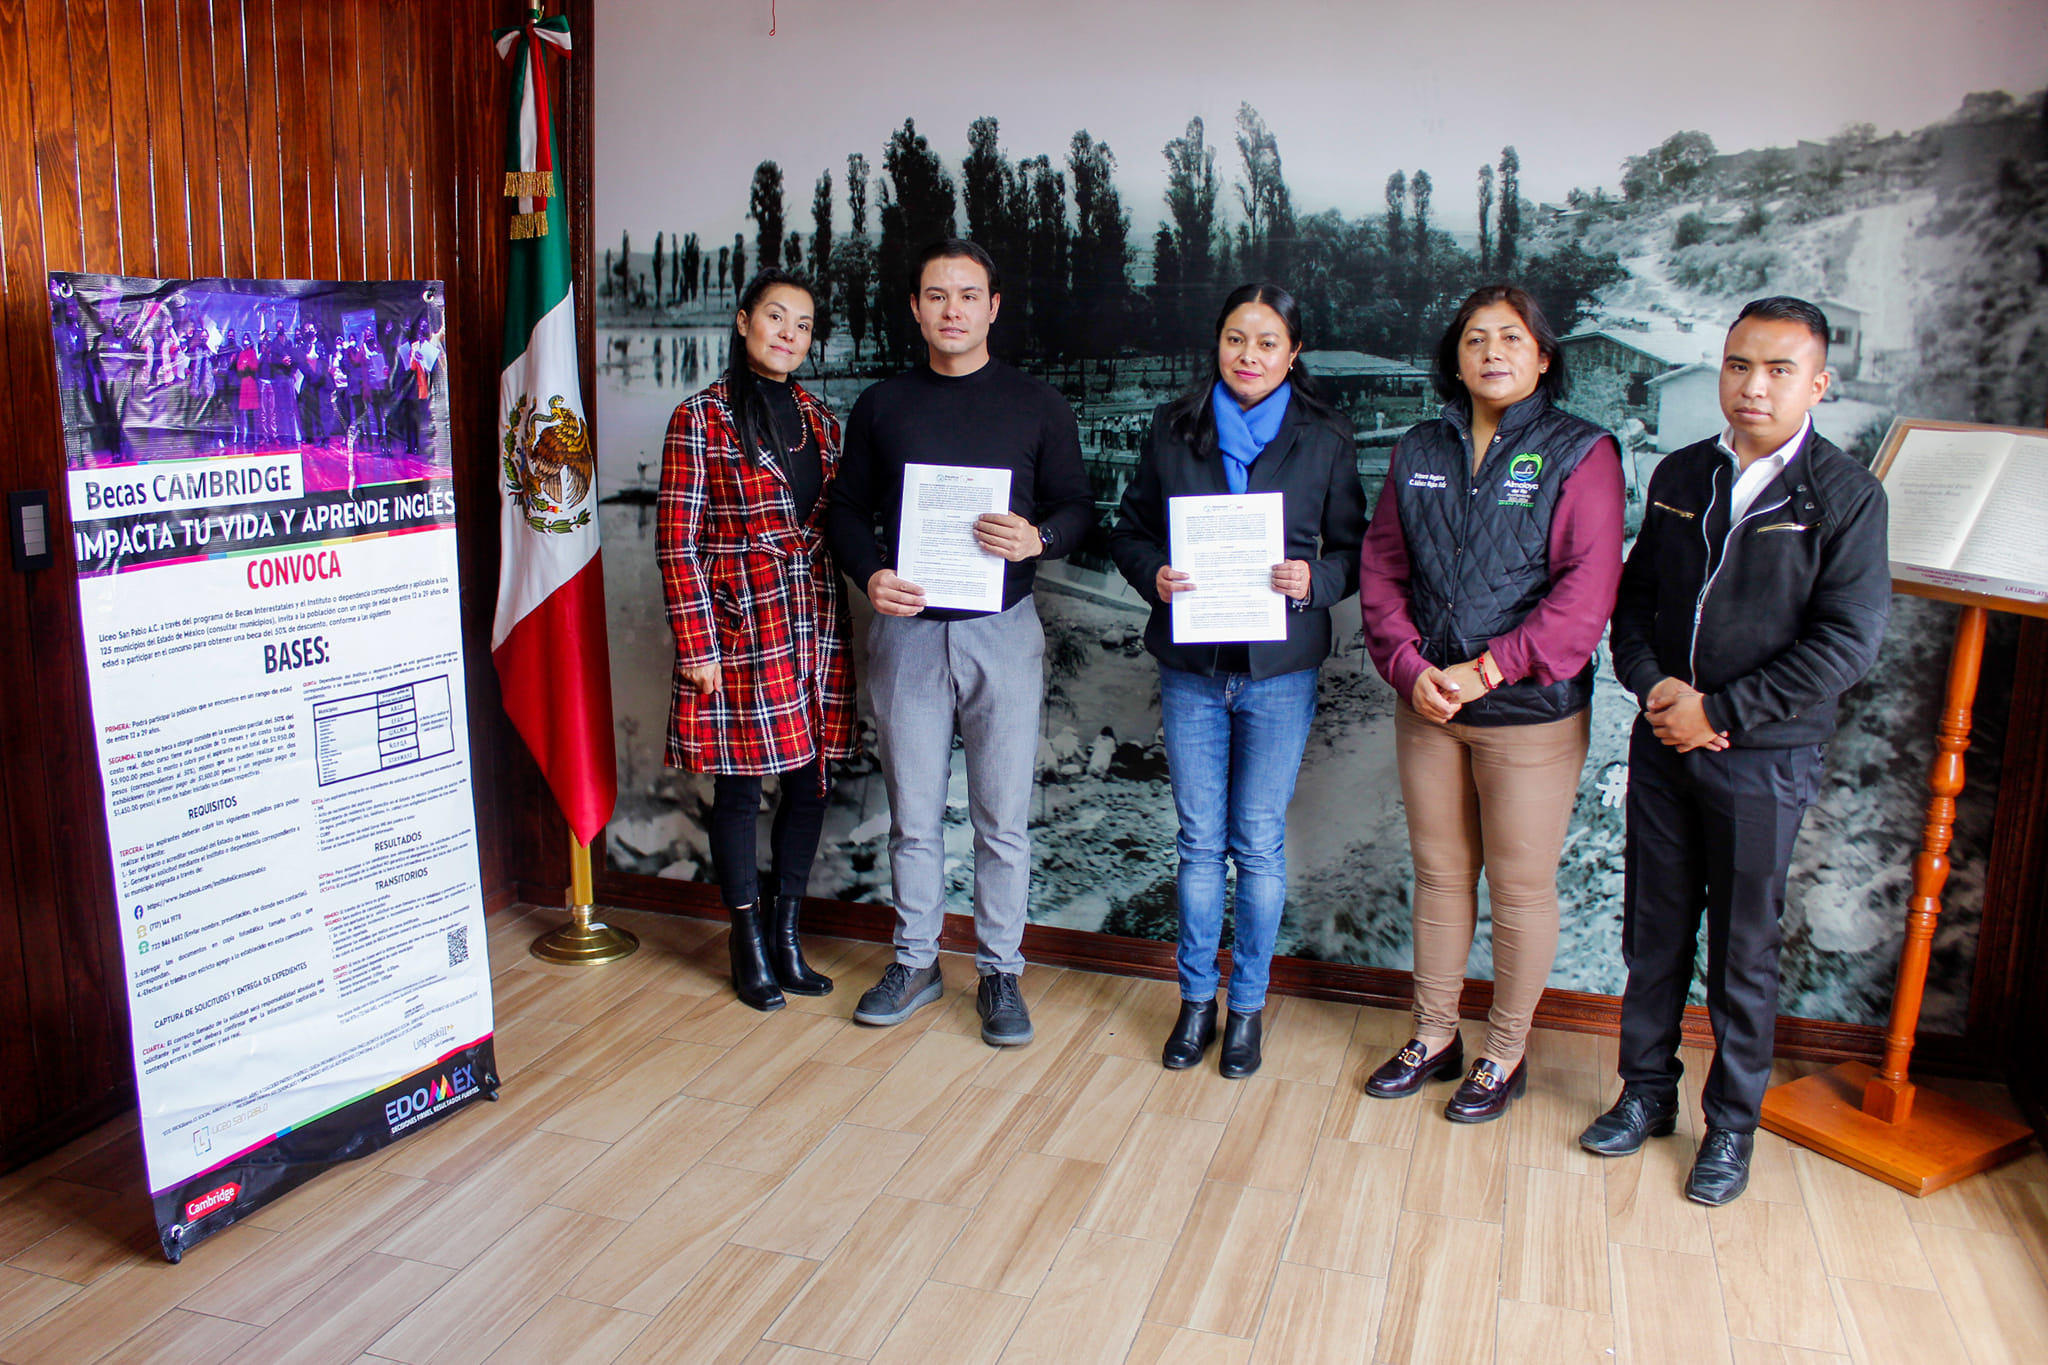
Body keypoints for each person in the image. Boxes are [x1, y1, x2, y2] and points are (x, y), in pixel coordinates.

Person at [1579, 296, 1889, 1204]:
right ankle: (1644, 1096)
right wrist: (1656, 691)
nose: (1753, 386)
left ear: (1818, 384)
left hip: (1764, 758)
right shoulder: (1680, 473)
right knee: (1655, 930)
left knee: (1743, 948)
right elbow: (1633, 608)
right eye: (1738, 365)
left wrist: (1723, 711)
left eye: (1779, 369)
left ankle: (1732, 1129)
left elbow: (1846, 644)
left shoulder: (1846, 497)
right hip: (1665, 739)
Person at [1358, 284, 1625, 1123]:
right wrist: (1408, 667)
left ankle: (1505, 1050)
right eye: (1476, 339)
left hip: (1528, 714)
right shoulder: (1419, 446)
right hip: (1429, 705)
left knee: (1517, 888)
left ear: (1544, 356)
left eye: (1512, 338)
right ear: (1457, 358)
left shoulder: (1583, 453)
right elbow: (1382, 566)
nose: (1493, 353)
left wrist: (1488, 670)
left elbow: (1587, 594)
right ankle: (1435, 1035)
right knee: (1439, 877)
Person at [826, 238, 1094, 1048]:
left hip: (1002, 632)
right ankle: (915, 959)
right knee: (912, 813)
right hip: (906, 630)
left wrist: (1036, 536)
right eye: (935, 295)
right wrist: (869, 574)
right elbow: (843, 509)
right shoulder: (882, 405)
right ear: (915, 308)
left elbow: (1080, 510)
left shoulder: (1039, 405)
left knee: (1001, 817)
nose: (952, 310)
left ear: (993, 306)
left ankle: (1001, 970)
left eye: (967, 295)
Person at [1108, 283, 1366, 1078]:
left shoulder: (1324, 435)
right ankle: (1195, 1003)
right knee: (1196, 843)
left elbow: (1356, 550)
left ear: (1293, 353)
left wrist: (1312, 582)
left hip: (1279, 670)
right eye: (1234, 339)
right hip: (1191, 667)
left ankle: (1247, 1008)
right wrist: (1154, 574)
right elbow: (1130, 530)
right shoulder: (1172, 428)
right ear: (1216, 344)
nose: (1248, 356)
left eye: (1266, 342)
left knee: (1255, 844)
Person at [658, 269, 859, 1012]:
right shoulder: (699, 418)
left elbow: (841, 521)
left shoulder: (823, 420)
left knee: (812, 779)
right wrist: (697, 644)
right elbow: (676, 544)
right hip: (739, 619)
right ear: (743, 321)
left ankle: (787, 933)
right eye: (775, 316)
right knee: (741, 785)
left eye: (803, 324)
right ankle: (744, 938)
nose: (787, 333)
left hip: (812, 614)